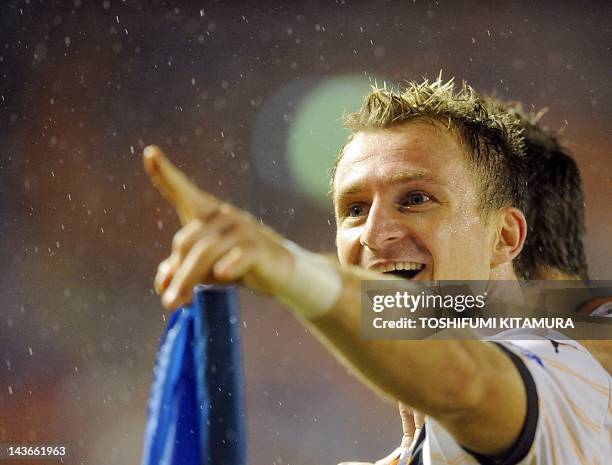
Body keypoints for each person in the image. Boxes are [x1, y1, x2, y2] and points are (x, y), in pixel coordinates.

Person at [143, 77, 610, 464]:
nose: (374, 233)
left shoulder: (557, 371)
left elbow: (468, 380)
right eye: (354, 210)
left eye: (416, 199)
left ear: (507, 238)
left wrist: (292, 269)